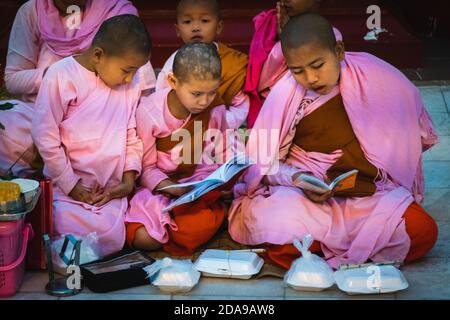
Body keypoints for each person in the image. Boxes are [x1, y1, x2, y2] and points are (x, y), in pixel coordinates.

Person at [229, 13, 439, 270]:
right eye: (298, 71)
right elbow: (261, 165)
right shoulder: (285, 96)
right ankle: (353, 251)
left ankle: (316, 252)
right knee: (269, 217)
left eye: (318, 65)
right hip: (308, 201)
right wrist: (297, 178)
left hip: (369, 197)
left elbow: (408, 137)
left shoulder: (378, 79)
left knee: (423, 231)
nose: (311, 78)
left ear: (338, 51)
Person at [31, 14, 151, 257]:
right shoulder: (61, 76)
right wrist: (71, 185)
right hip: (66, 192)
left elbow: (130, 133)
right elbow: (45, 136)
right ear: (98, 55)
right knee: (60, 223)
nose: (130, 78)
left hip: (109, 192)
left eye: (135, 71)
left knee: (111, 233)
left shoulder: (130, 83)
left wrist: (127, 183)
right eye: (126, 70)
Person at [0, 0, 155, 178]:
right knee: (6, 122)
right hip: (39, 110)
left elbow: (131, 64)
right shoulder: (32, 11)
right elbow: (12, 79)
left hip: (103, 116)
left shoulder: (114, 10)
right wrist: (59, 76)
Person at [126, 42, 249, 256]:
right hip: (161, 186)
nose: (204, 101)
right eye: (196, 94)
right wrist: (171, 188)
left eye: (211, 93)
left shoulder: (216, 107)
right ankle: (207, 220)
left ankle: (207, 216)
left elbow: (218, 151)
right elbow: (145, 169)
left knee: (190, 229)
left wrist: (225, 172)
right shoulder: (149, 112)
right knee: (141, 238)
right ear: (173, 81)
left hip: (198, 185)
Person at [245, 0, 342, 128]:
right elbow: (261, 85)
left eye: (317, 65)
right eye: (297, 71)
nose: (286, 1)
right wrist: (283, 41)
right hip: (279, 111)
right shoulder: (271, 27)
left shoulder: (330, 35)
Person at [155, 0, 248, 110]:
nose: (195, 27)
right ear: (177, 29)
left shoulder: (234, 62)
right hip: (181, 123)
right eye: (187, 21)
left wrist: (220, 120)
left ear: (219, 27)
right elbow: (161, 99)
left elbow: (240, 106)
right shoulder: (174, 63)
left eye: (204, 20)